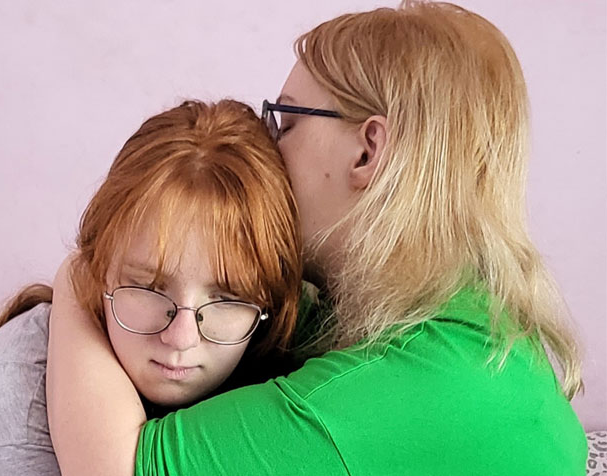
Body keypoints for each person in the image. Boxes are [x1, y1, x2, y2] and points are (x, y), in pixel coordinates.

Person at [44, 2, 587, 475]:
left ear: (367, 151)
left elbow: (115, 466)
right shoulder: (463, 317)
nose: (268, 149)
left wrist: (81, 272)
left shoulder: (400, 385)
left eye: (286, 123)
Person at [0, 99, 303, 475]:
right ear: (98, 265)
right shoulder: (20, 413)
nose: (181, 339)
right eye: (150, 287)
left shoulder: (273, 360)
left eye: (227, 298)